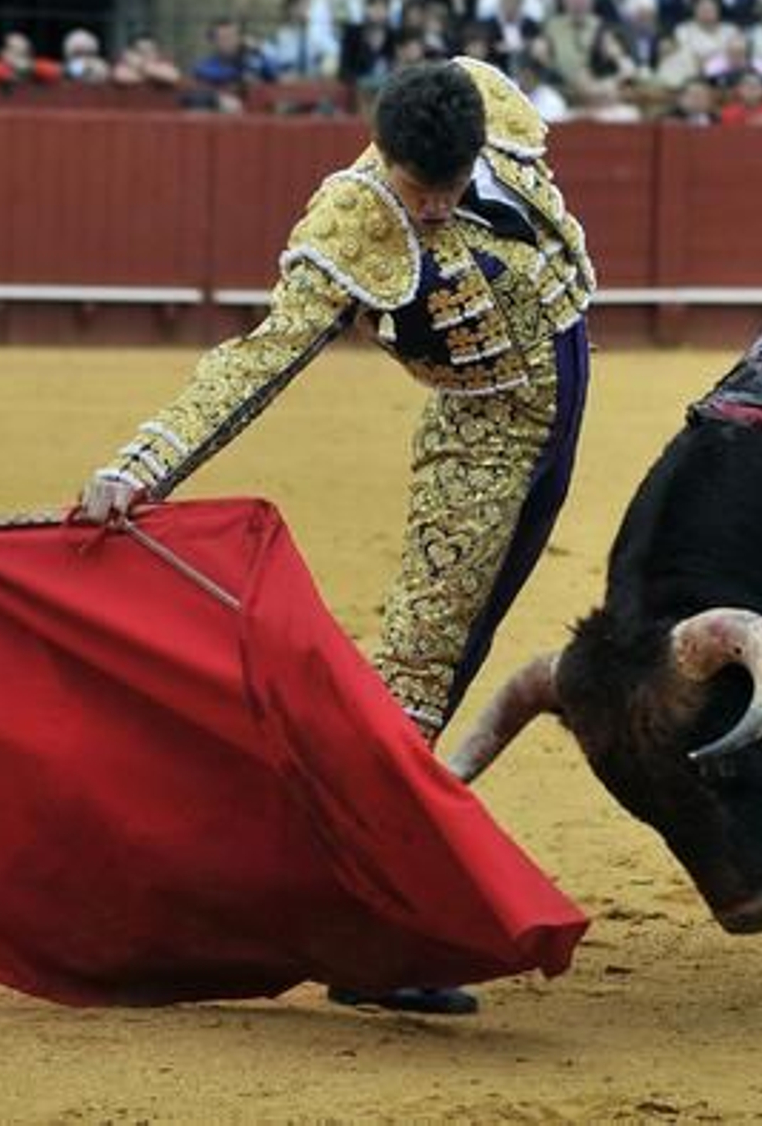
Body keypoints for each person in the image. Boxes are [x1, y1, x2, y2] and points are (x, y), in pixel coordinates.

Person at [75, 58, 595, 1017]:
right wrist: (144, 464)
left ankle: (378, 898)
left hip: (560, 407)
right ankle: (367, 935)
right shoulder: (352, 221)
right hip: (479, 447)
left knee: (446, 666)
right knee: (416, 677)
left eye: (447, 187)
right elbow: (260, 358)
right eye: (417, 188)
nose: (433, 207)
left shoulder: (494, 110)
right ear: (385, 157)